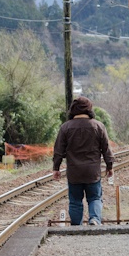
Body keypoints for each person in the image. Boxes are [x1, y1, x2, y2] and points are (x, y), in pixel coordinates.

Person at [51, 96, 114, 226]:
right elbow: (106, 149)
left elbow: (58, 150)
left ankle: (76, 226)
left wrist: (56, 168)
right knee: (95, 198)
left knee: (75, 201)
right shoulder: (98, 126)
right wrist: (110, 166)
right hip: (93, 172)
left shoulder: (65, 127)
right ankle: (95, 219)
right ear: (89, 109)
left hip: (74, 172)